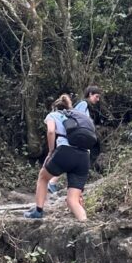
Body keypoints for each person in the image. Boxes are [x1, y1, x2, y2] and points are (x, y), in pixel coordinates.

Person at [24, 94, 90, 222]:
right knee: (72, 200)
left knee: (43, 177)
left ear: (54, 107)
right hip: (84, 155)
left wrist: (51, 151)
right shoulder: (77, 117)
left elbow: (50, 131)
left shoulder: (53, 115)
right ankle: (84, 223)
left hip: (65, 152)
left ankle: (38, 211)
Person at [47, 86, 102, 197]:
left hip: (76, 139)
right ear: (90, 94)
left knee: (71, 162)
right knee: (77, 161)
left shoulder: (84, 105)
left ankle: (57, 184)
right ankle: (54, 183)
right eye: (96, 96)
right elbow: (79, 120)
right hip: (77, 139)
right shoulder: (83, 104)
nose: (98, 99)